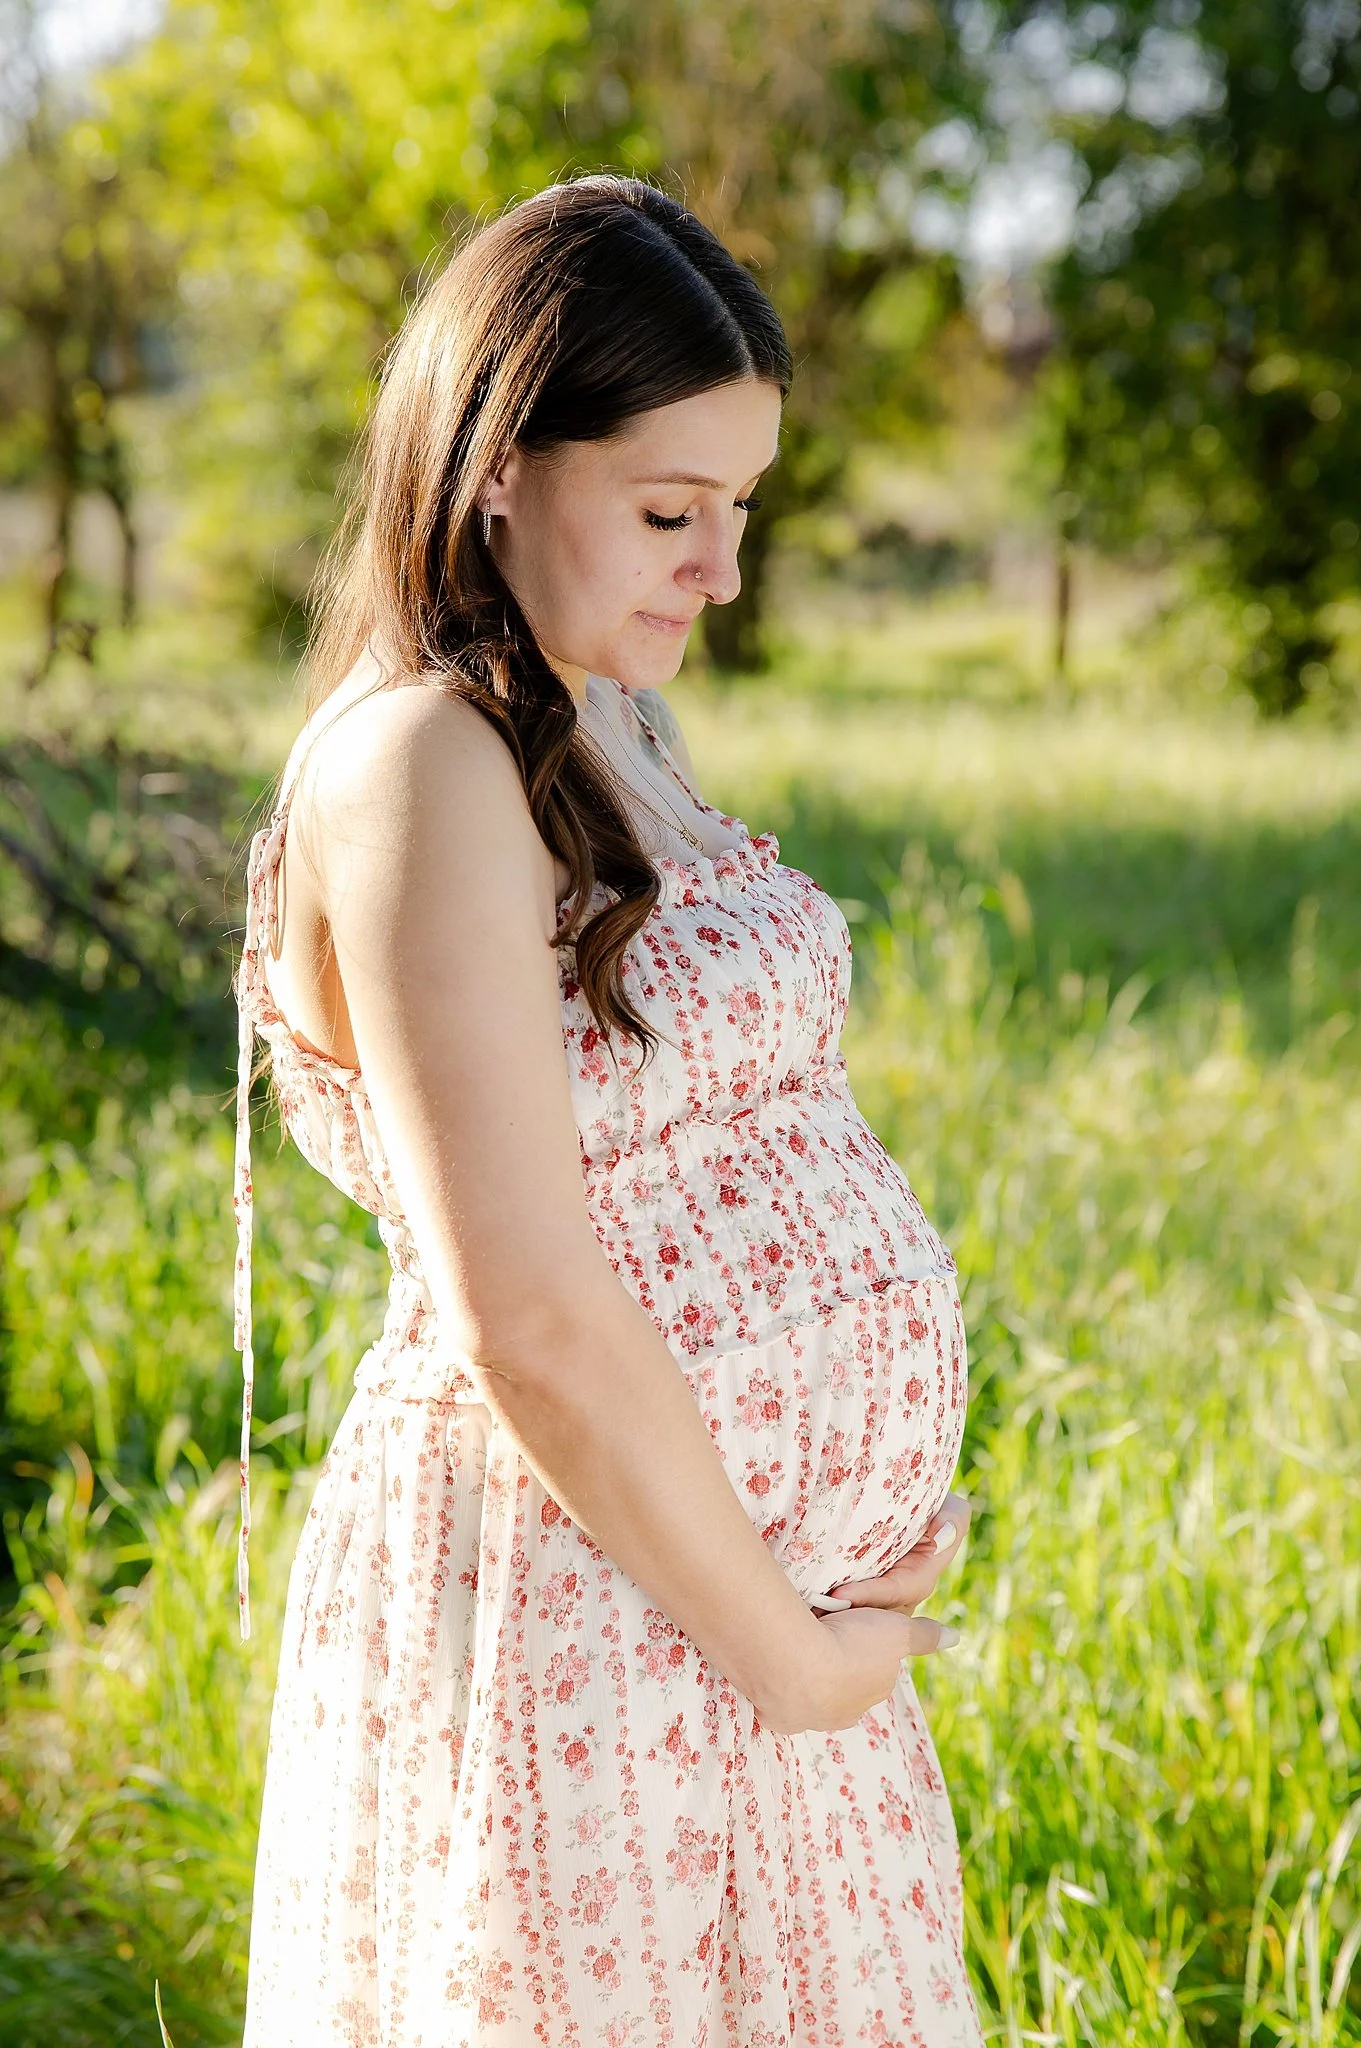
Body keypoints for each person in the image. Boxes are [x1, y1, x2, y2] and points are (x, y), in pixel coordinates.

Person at [234, 174, 982, 2046]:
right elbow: (530, 1313)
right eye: (669, 510)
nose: (719, 572)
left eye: (740, 511)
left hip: (730, 1625)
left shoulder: (599, 729)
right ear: (496, 463)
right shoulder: (419, 759)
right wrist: (792, 1662)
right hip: (597, 1619)